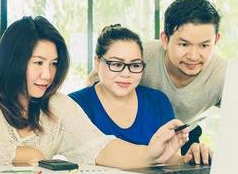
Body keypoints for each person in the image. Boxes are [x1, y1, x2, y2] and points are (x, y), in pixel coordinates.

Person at [0, 16, 189, 168]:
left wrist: (151, 153)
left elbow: (101, 148)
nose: (47, 74)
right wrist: (29, 153)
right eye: (38, 63)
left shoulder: (58, 105)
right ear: (14, 60)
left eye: (54, 64)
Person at [87, 0, 227, 154]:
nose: (193, 56)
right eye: (184, 44)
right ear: (165, 39)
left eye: (204, 45)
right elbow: (94, 85)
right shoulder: (137, 57)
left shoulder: (225, 76)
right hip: (135, 133)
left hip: (184, 135)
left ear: (216, 40)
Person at [70, 24, 211, 165]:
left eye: (135, 65)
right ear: (97, 62)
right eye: (116, 64)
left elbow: (171, 160)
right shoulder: (73, 105)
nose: (126, 74)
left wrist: (189, 158)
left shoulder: (158, 101)